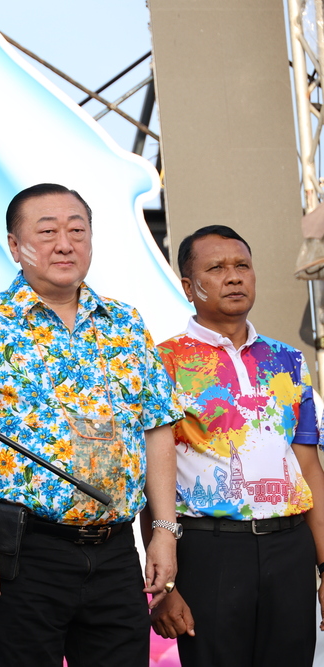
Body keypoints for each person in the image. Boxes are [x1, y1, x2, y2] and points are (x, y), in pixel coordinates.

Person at [0, 183, 182, 667]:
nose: (65, 244)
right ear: (15, 246)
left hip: (114, 551)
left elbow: (157, 428)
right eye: (47, 233)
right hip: (24, 553)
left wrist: (163, 531)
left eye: (77, 231)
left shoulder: (124, 323)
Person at [150, 225, 324, 666]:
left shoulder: (288, 360)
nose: (233, 277)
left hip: (290, 548)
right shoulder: (163, 363)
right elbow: (151, 476)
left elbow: (308, 467)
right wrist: (165, 589)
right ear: (188, 286)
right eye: (216, 268)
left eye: (242, 265)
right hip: (208, 552)